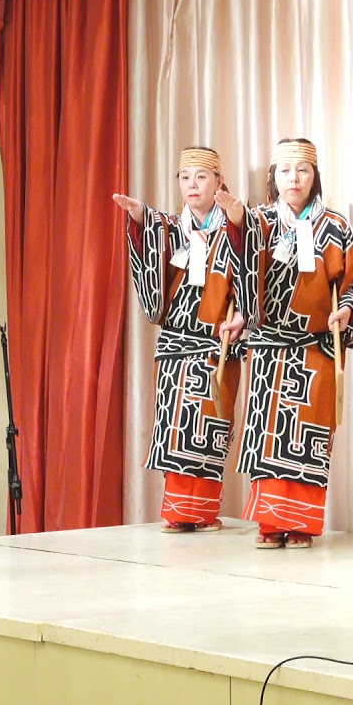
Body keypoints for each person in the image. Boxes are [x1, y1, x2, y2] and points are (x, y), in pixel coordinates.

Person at [214, 138, 353, 549]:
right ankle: (269, 525)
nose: (294, 178)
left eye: (302, 169)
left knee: (307, 437)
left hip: (314, 348)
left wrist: (348, 311)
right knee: (269, 436)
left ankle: (301, 524)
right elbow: (239, 277)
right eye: (285, 170)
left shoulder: (335, 226)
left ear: (314, 176)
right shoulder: (259, 222)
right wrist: (237, 224)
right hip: (268, 347)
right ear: (274, 176)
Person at [114, 146, 244, 533]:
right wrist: (139, 216)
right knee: (175, 426)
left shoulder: (237, 226)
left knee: (208, 425)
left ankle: (201, 512)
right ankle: (177, 511)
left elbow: (255, 275)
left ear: (218, 181)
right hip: (175, 341)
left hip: (216, 341)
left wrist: (240, 317)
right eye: (185, 178)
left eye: (201, 177)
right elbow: (150, 233)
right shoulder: (171, 227)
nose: (192, 185)